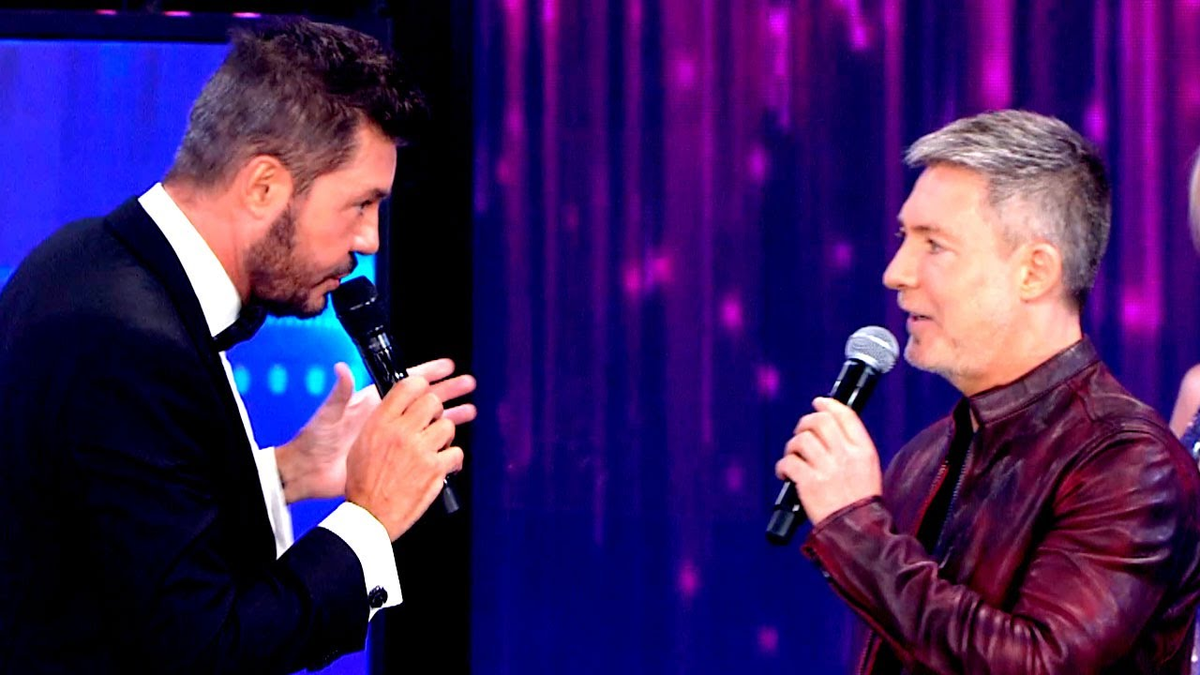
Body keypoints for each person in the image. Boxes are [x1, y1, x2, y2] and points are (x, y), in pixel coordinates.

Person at [0, 18, 474, 674]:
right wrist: (370, 516)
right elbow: (207, 652)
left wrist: (289, 472)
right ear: (263, 187)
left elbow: (121, 537)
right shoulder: (132, 342)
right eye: (361, 204)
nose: (370, 241)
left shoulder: (85, 255)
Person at [776, 110, 1200, 674]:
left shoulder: (1128, 464)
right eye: (904, 238)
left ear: (1034, 271)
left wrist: (857, 528)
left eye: (934, 245)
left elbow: (1036, 664)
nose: (896, 272)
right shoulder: (924, 458)